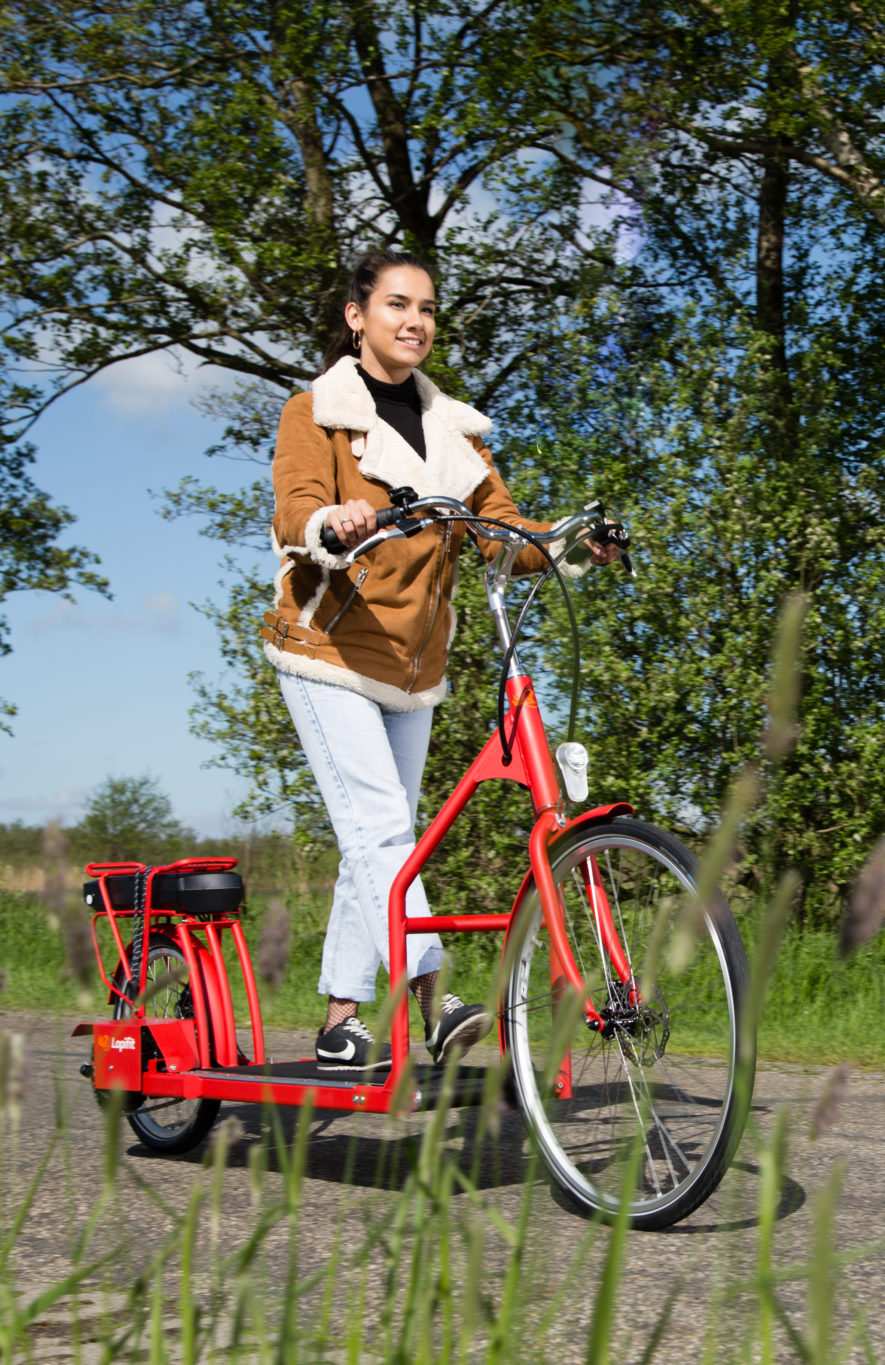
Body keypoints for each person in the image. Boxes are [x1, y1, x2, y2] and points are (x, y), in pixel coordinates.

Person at [263, 250, 621, 1070]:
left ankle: (340, 1021)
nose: (414, 321)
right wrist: (333, 520)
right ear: (357, 315)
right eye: (396, 304)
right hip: (327, 651)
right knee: (381, 828)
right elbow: (295, 506)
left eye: (426, 308)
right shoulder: (316, 412)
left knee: (381, 839)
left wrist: (571, 541)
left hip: (412, 670)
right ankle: (434, 992)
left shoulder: (455, 434)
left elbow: (506, 532)